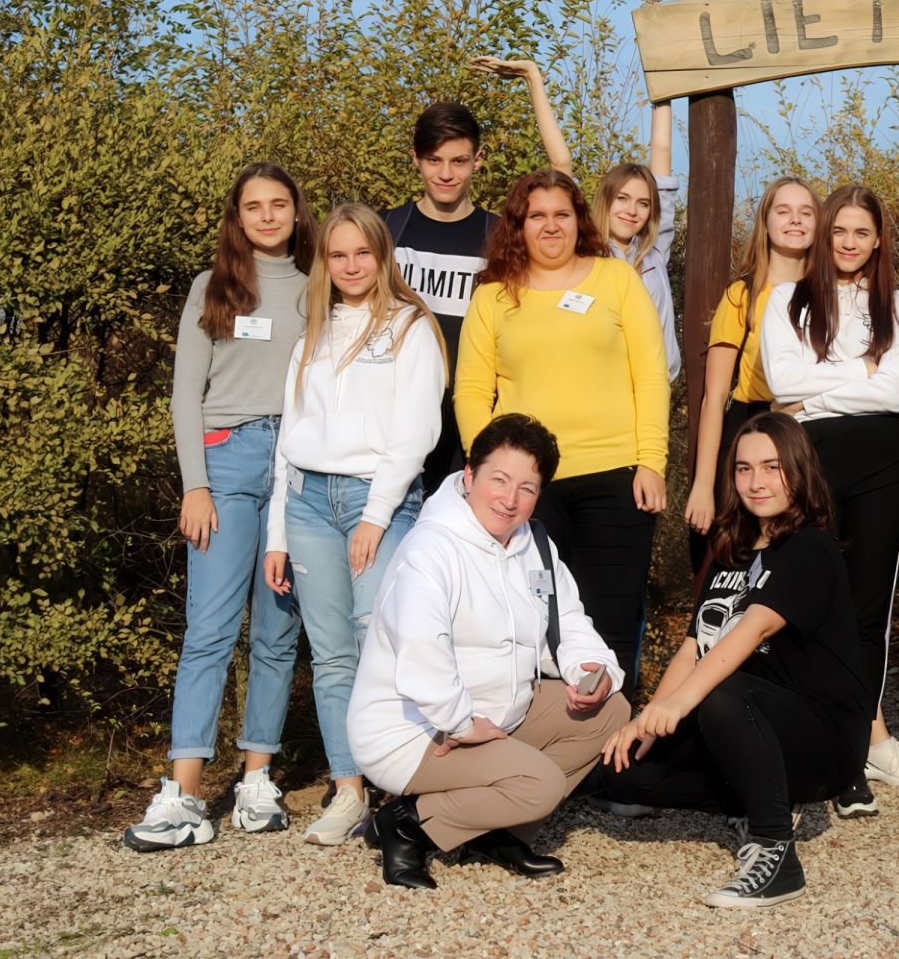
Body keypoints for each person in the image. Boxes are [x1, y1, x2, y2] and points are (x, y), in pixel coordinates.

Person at [596, 412, 872, 909]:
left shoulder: (810, 548)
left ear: (799, 470)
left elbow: (753, 629)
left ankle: (776, 853)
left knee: (722, 694)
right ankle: (758, 795)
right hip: (746, 720)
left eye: (771, 467)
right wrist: (648, 718)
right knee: (625, 774)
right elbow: (693, 647)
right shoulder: (731, 552)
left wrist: (679, 705)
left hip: (822, 739)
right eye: (744, 469)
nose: (756, 481)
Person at [348, 414, 630, 889]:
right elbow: (421, 647)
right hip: (417, 728)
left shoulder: (535, 545)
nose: (510, 499)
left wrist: (590, 667)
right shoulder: (431, 548)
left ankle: (492, 831)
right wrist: (460, 721)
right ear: (469, 475)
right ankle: (405, 822)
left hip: (495, 712)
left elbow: (567, 618)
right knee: (540, 784)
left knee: (610, 712)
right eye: (498, 480)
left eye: (527, 488)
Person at [124, 163, 315, 852]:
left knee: (277, 633)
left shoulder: (319, 288)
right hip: (225, 464)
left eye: (278, 204)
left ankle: (257, 782)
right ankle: (182, 794)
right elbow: (186, 393)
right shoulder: (213, 287)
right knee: (208, 630)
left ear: (296, 212)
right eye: (253, 206)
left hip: (296, 466)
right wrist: (194, 485)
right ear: (237, 217)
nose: (267, 216)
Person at [263, 203, 448, 845]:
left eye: (362, 253)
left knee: (385, 643)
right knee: (333, 654)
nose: (350, 266)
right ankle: (348, 791)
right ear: (325, 262)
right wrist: (277, 536)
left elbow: (416, 432)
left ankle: (404, 792)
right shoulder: (312, 334)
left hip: (380, 499)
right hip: (308, 503)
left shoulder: (409, 328)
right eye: (338, 255)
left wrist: (375, 515)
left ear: (381, 255)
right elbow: (289, 441)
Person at [454, 169, 669, 686]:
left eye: (561, 215)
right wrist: (491, 475)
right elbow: (472, 391)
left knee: (611, 625)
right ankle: (543, 735)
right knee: (535, 627)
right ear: (518, 225)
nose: (550, 226)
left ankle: (612, 736)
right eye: (537, 216)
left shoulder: (617, 279)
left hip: (616, 478)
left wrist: (652, 461)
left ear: (579, 221)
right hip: (528, 489)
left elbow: (650, 373)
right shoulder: (493, 297)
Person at [760, 184, 899, 814]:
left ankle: (856, 749)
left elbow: (895, 393)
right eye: (840, 231)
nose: (850, 243)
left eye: (862, 232)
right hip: (810, 460)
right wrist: (861, 370)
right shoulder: (787, 300)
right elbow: (782, 381)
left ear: (878, 238)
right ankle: (818, 743)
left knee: (867, 609)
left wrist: (817, 389)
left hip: (883, 460)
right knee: (808, 602)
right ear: (825, 234)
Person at [473, 56, 683, 380]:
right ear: (605, 200)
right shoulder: (588, 250)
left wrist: (663, 71)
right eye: (622, 199)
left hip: (655, 384)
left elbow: (662, 149)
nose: (632, 210)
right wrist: (533, 77)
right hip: (606, 384)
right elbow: (561, 163)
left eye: (643, 203)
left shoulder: (655, 250)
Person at [685, 177, 818, 567]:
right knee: (739, 561)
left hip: (813, 431)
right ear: (766, 221)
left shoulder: (831, 296)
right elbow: (714, 398)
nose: (795, 220)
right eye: (783, 211)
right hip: (751, 429)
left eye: (806, 212)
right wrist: (703, 486)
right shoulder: (741, 295)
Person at [382, 102, 502, 485]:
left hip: (469, 425)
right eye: (434, 160)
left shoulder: (501, 236)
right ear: (415, 158)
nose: (446, 174)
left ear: (478, 160)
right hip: (391, 422)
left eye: (458, 161)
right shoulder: (385, 229)